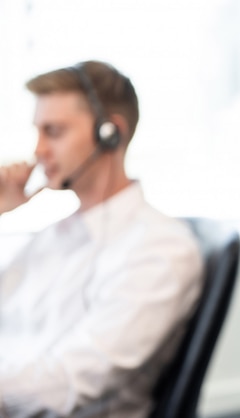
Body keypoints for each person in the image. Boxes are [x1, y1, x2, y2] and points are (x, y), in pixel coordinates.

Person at [0, 61, 203, 417]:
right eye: (38, 132)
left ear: (111, 132)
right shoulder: (54, 236)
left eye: (54, 131)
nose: (38, 150)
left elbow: (64, 385)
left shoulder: (160, 250)